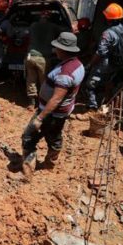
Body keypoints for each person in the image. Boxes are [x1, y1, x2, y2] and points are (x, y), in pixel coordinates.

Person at [21, 33, 84, 177]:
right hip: (59, 112)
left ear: (64, 50)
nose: (55, 50)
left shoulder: (65, 73)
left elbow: (56, 99)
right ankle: (50, 164)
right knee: (54, 137)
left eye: (57, 48)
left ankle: (28, 171)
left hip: (51, 113)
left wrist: (40, 118)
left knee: (28, 136)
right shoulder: (77, 64)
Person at [84, 3, 123, 111]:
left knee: (90, 85)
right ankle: (106, 104)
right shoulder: (122, 28)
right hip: (116, 63)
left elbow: (101, 53)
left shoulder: (107, 33)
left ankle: (92, 107)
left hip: (104, 65)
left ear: (109, 19)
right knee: (107, 82)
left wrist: (89, 65)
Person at [25, 11, 62, 109]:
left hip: (30, 56)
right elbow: (63, 33)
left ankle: (31, 103)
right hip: (43, 58)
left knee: (31, 80)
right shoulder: (54, 27)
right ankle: (42, 103)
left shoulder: (33, 25)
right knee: (44, 82)